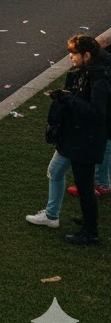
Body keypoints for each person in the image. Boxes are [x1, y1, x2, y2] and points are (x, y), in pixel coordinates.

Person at [26, 35, 110, 245]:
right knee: (56, 171)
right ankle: (55, 216)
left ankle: (90, 233)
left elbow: (97, 113)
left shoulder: (100, 78)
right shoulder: (91, 71)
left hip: (85, 141)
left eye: (74, 54)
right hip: (76, 137)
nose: (71, 57)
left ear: (87, 55)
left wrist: (68, 99)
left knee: (85, 187)